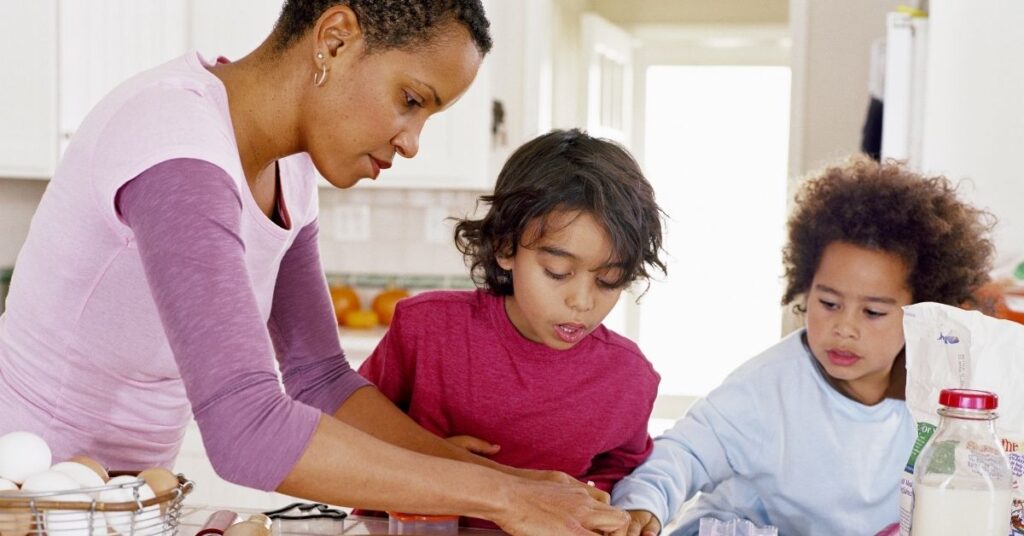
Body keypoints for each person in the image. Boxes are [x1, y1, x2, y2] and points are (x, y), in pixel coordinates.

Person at [0, 1, 629, 534]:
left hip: (124, 500)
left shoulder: (293, 170)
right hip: (22, 489)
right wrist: (506, 499)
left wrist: (507, 480)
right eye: (410, 100)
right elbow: (246, 427)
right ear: (335, 39)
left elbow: (320, 379)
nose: (412, 141)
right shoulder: (176, 142)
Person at [612, 156, 996, 536]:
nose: (844, 327)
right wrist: (644, 503)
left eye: (873, 312)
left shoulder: (939, 396)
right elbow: (685, 451)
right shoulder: (768, 386)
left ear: (921, 313)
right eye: (828, 303)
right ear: (805, 288)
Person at [357, 129, 666, 527]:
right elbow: (349, 434)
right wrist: (424, 461)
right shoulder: (426, 329)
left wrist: (627, 511)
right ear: (505, 247)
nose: (582, 301)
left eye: (609, 280)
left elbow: (623, 477)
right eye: (557, 272)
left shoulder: (629, 378)